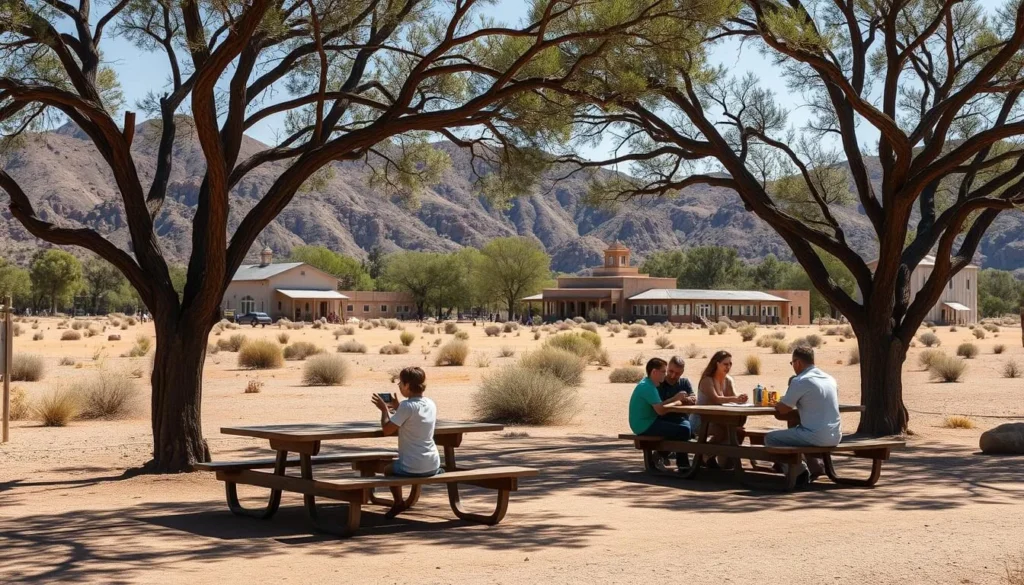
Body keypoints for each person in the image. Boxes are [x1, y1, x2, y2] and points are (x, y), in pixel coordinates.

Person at [766, 346, 842, 483]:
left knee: (770, 438)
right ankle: (806, 468)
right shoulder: (830, 379)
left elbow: (783, 409)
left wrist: (776, 403)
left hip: (815, 435)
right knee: (796, 432)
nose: (793, 367)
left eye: (792, 363)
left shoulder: (800, 380)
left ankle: (798, 471)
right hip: (835, 435)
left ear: (798, 362)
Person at [371, 366, 442, 477]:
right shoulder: (430, 403)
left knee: (388, 469)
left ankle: (397, 496)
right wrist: (398, 408)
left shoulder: (407, 406)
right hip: (433, 463)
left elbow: (387, 430)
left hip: (413, 466)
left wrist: (384, 410)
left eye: (400, 383)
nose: (399, 386)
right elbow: (414, 419)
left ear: (407, 385)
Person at [629, 358, 696, 470]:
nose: (666, 375)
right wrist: (675, 399)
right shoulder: (648, 387)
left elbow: (661, 406)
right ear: (654, 372)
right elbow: (660, 410)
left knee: (685, 428)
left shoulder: (649, 384)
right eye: (664, 371)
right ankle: (681, 464)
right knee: (683, 431)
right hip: (645, 425)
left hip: (650, 421)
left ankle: (674, 460)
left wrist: (676, 400)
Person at [694, 351, 748, 468]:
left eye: (730, 364)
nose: (728, 367)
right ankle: (705, 456)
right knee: (722, 431)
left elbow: (733, 398)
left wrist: (741, 399)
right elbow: (716, 399)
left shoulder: (728, 380)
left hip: (719, 420)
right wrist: (735, 398)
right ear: (717, 364)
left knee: (738, 431)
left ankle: (725, 462)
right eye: (725, 364)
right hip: (701, 420)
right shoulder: (707, 380)